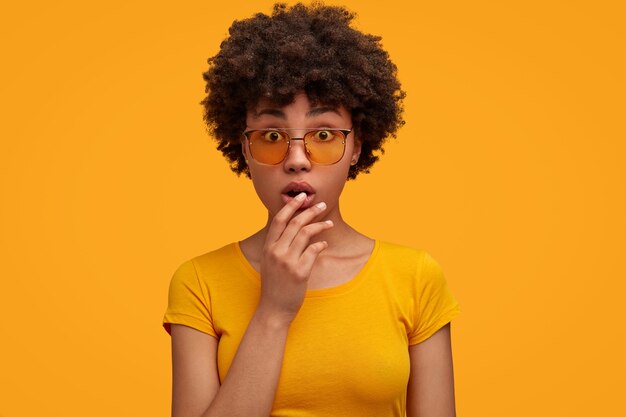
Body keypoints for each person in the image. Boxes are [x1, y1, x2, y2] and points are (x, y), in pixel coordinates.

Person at [162, 3, 461, 416]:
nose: (297, 159)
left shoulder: (415, 277)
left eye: (323, 133)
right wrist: (273, 311)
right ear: (245, 147)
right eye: (271, 134)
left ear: (357, 145)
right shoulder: (199, 283)